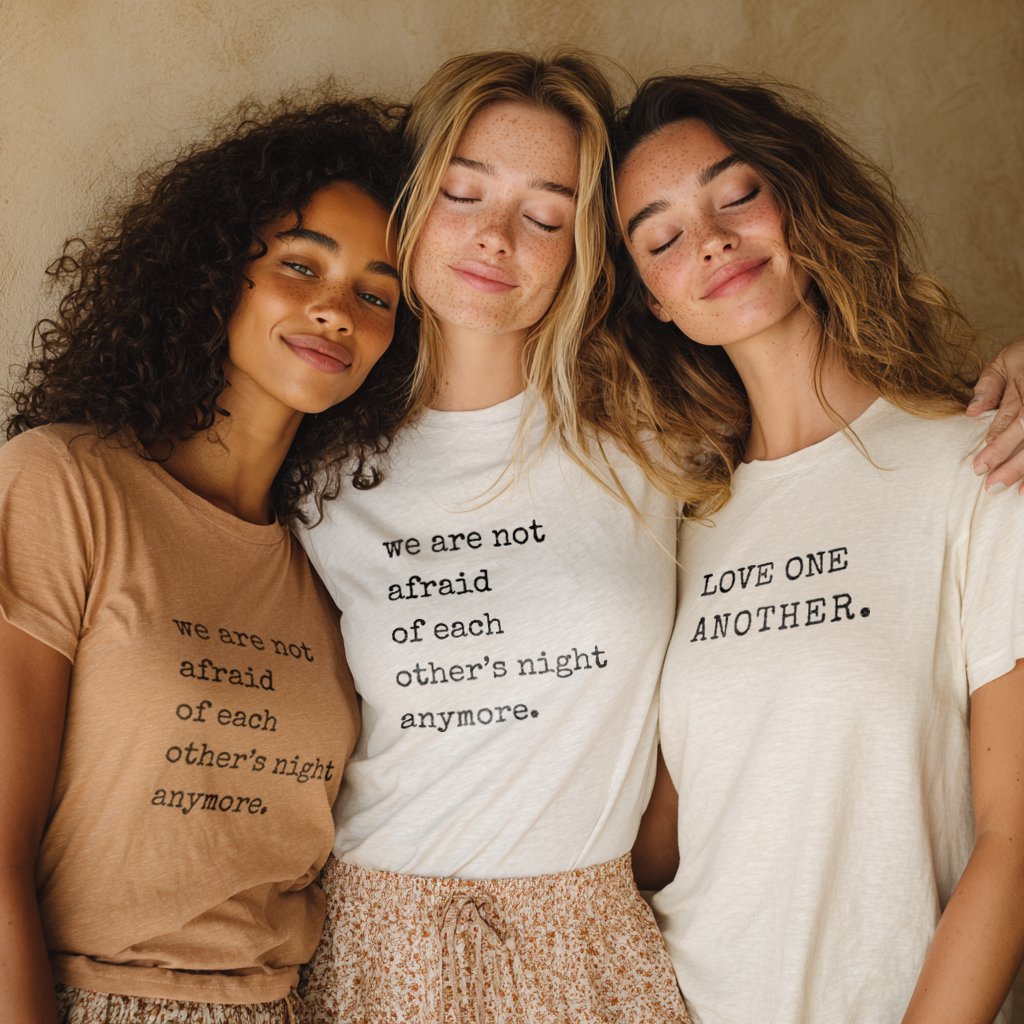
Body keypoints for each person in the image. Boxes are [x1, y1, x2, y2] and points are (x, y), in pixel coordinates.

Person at [614, 74, 1024, 1024]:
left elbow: (1012, 840)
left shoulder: (979, 466)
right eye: (662, 239)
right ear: (655, 302)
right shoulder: (679, 521)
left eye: (736, 194)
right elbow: (661, 844)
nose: (709, 240)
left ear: (799, 198)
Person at [0, 93, 414, 1024]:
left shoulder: (333, 568)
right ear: (218, 271)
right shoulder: (64, 486)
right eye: (302, 265)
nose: (336, 311)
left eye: (376, 294)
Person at [296, 50, 691, 1023]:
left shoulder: (662, 433)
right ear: (411, 203)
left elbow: (839, 417)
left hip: (590, 947)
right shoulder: (314, 464)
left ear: (582, 248)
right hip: (376, 946)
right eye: (463, 193)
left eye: (545, 216)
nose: (494, 236)